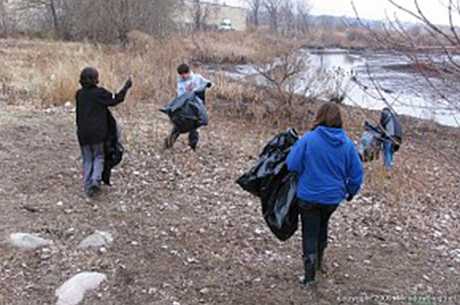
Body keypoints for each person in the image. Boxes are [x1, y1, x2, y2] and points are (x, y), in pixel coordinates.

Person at [286, 102, 364, 286]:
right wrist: (350, 192)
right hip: (332, 199)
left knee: (310, 232)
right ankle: (319, 263)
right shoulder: (347, 145)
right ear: (339, 120)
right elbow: (356, 175)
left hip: (308, 196)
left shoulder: (308, 139)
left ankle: (309, 276)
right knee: (322, 226)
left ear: (319, 116)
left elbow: (292, 164)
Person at [76, 67, 132, 198]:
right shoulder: (99, 93)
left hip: (82, 133)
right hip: (98, 134)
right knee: (99, 156)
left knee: (87, 158)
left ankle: (87, 183)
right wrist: (126, 87)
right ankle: (96, 181)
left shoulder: (79, 94)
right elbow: (116, 99)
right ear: (96, 79)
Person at [165, 63, 212, 150]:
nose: (183, 76)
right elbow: (181, 95)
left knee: (195, 126)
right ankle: (169, 142)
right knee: (180, 124)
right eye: (181, 75)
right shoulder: (180, 82)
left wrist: (207, 85)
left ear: (188, 72)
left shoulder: (197, 77)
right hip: (186, 106)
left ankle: (192, 146)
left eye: (184, 74)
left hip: (197, 105)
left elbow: (208, 83)